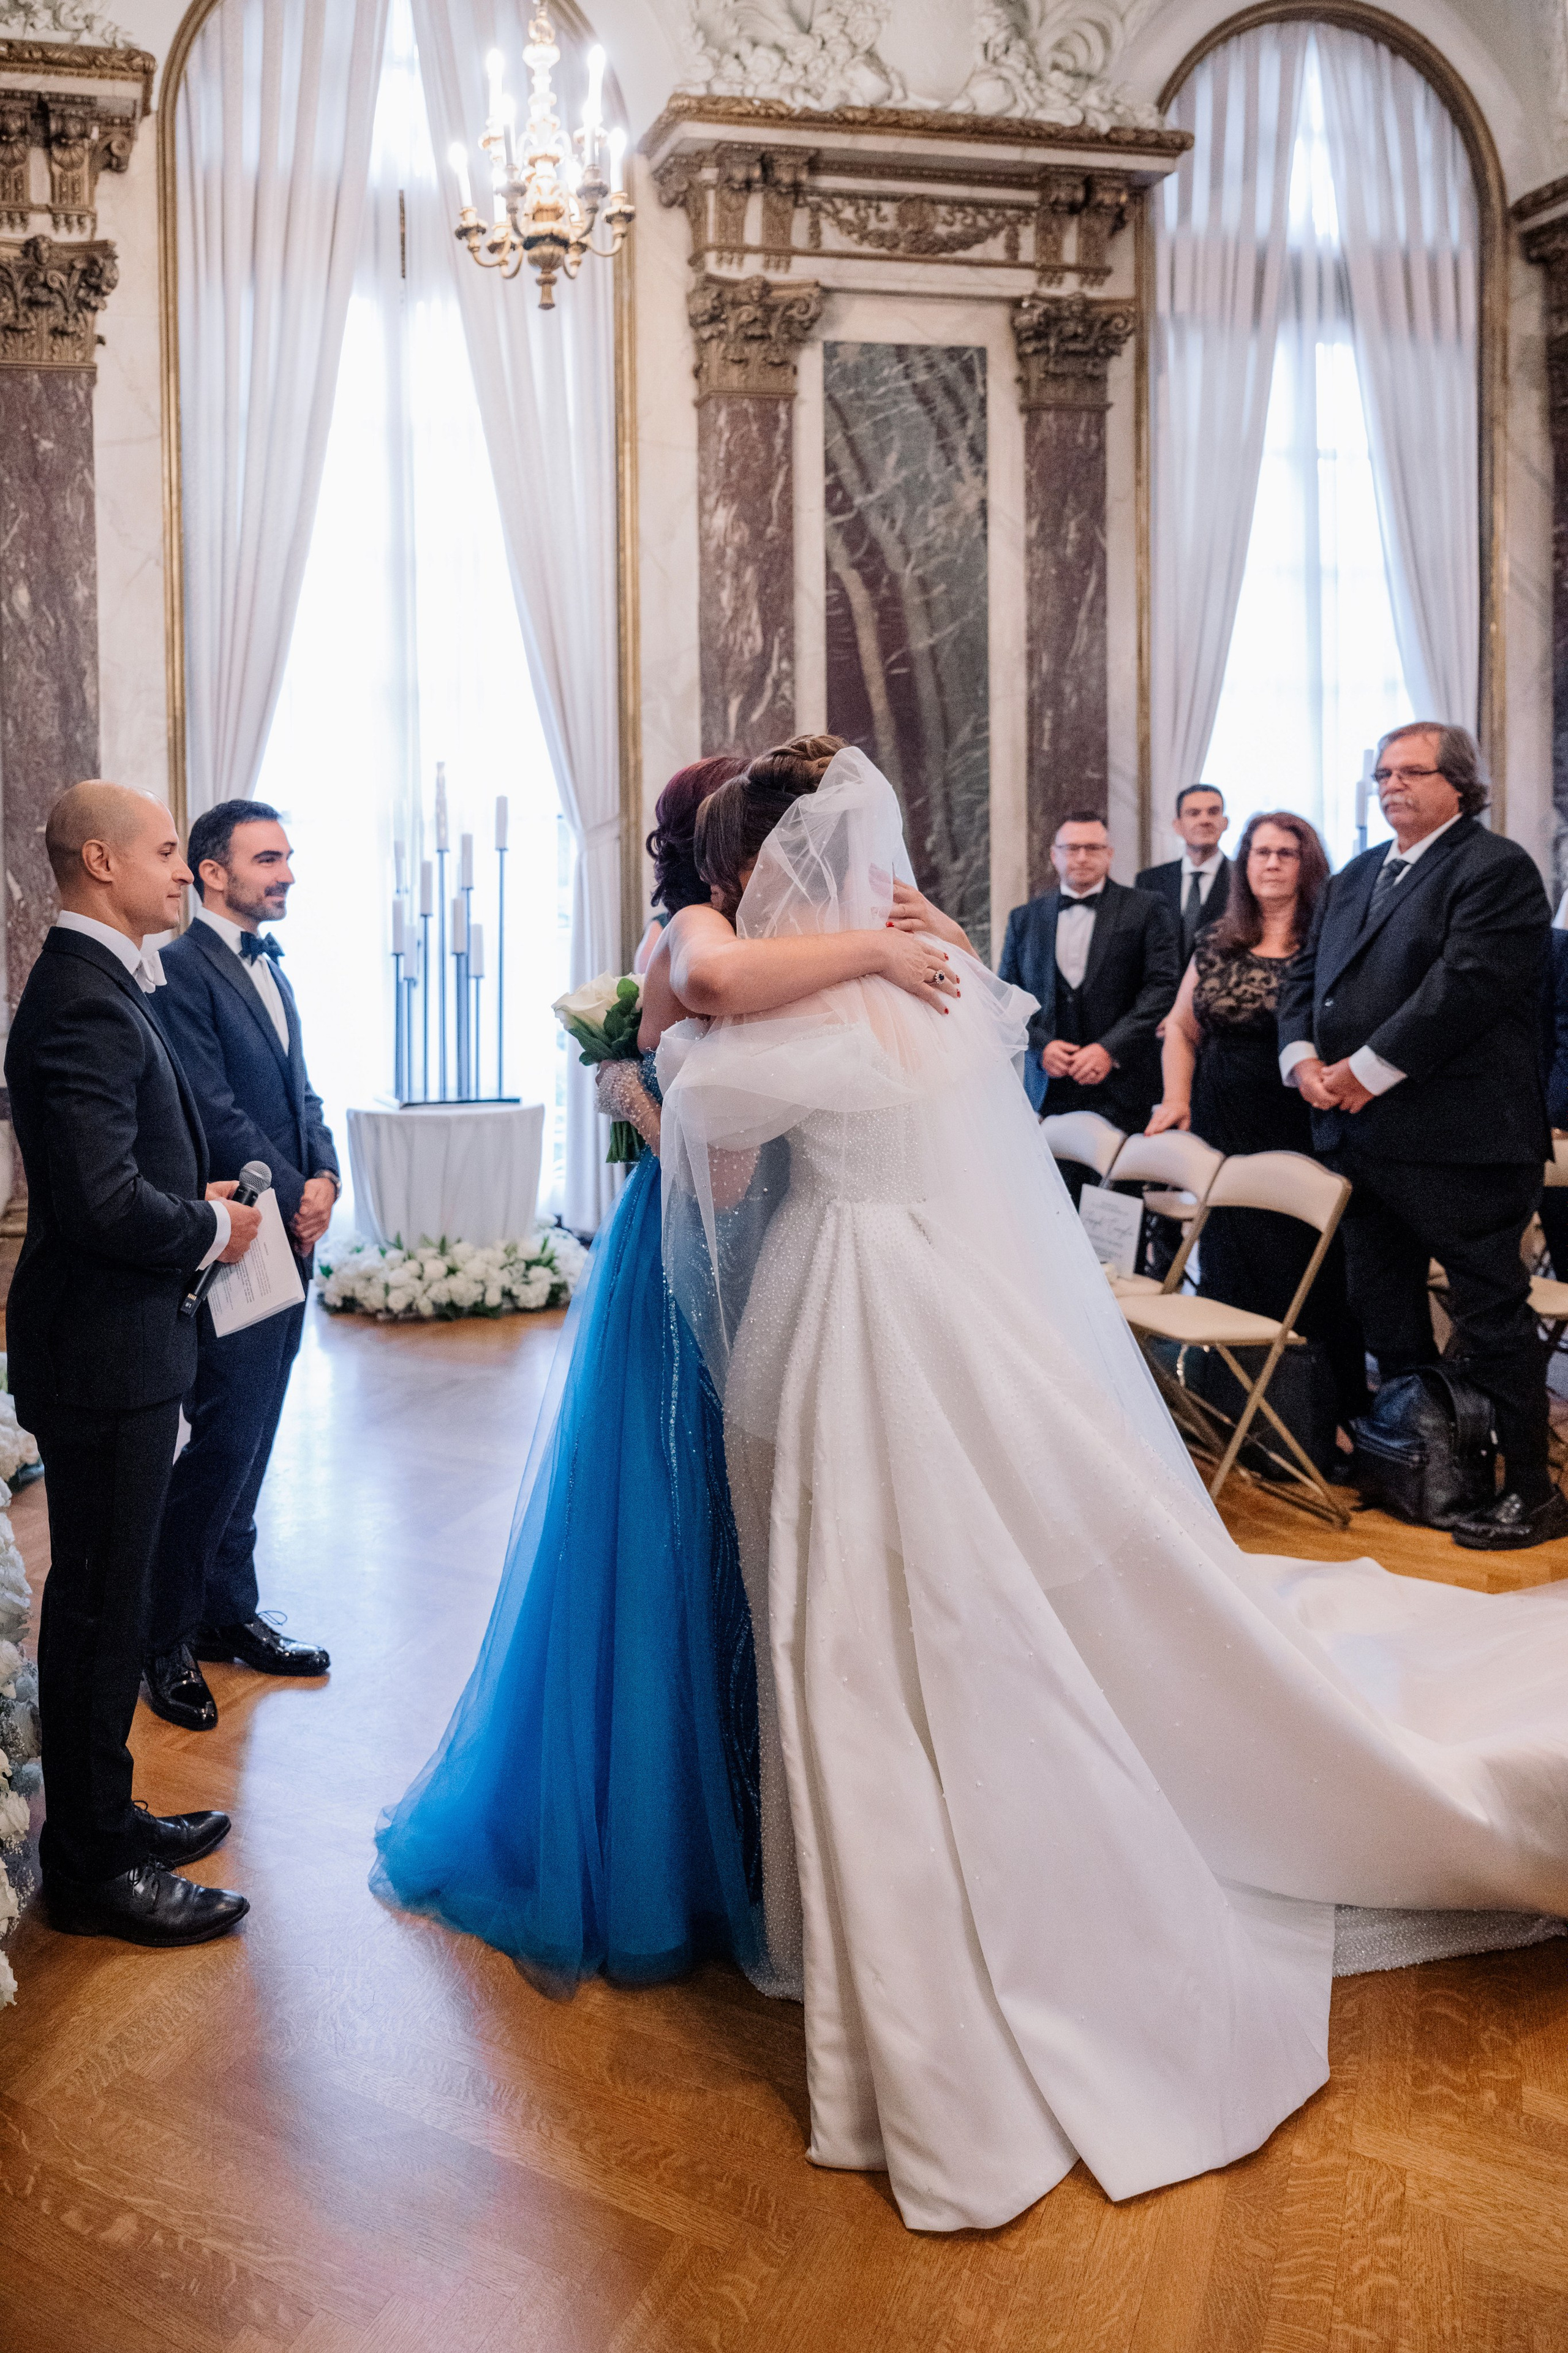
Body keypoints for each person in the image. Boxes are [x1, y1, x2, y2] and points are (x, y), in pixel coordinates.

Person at [658, 743, 1568, 2236]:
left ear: (761, 868)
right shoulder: (937, 972)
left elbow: (712, 1174)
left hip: (844, 1303)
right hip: (940, 1295)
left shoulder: (792, 995)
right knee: (944, 1578)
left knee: (859, 1601)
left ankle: (907, 1908)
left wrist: (661, 1071)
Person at [372, 742, 957, 1994]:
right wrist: (644, 1100)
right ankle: (680, 1826)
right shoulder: (690, 933)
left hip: (762, 1238)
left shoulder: (778, 933)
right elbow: (700, 1057)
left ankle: (754, 1804)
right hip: (685, 1244)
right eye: (761, 841)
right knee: (671, 1513)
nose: (780, 863)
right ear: (719, 851)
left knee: (747, 1528)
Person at [5, 782, 257, 1947]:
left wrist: (188, 1196)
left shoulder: (105, 981)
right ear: (100, 862)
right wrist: (209, 1229)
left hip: (121, 1344)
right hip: (101, 1353)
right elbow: (102, 1200)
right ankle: (96, 1865)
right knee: (102, 1610)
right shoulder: (80, 1000)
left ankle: (105, 1815)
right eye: (164, 849)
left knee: (105, 1599)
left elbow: (121, 1164)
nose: (180, 865)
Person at [1278, 722, 1563, 1550]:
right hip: (1361, 1138)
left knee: (1491, 1316)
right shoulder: (1359, 874)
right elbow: (1306, 976)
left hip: (1463, 1143)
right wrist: (1304, 1060)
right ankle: (1425, 1462)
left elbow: (1462, 991)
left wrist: (1362, 1071)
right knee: (1384, 1308)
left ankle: (1533, 1488)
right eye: (1381, 775)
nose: (1391, 786)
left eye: (1411, 772)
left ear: (1461, 784)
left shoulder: (1496, 869)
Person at [141, 800, 337, 1730]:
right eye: (269, 858)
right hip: (237, 1241)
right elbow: (213, 1108)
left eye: (288, 856)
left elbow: (299, 1088)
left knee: (255, 1437)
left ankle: (229, 1611)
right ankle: (165, 1638)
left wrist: (328, 1172)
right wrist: (293, 1189)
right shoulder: (180, 972)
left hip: (289, 1233)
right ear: (213, 872)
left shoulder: (270, 968)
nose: (287, 872)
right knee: (221, 1438)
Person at [1149, 810, 1367, 1435]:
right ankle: (1238, 1417)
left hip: (1301, 1123)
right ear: (1243, 865)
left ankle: (1322, 1420)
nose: (1270, 863)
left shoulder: (1331, 942)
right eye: (1260, 852)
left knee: (1311, 1273)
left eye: (1285, 853)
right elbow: (1180, 1031)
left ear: (1307, 865)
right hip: (1224, 1126)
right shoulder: (1216, 939)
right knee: (1230, 1263)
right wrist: (1175, 1098)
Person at [997, 811, 1179, 1155]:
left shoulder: (1148, 908)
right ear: (1054, 855)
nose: (1081, 858)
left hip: (1125, 1086)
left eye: (1093, 848)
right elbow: (1007, 995)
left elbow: (1163, 988)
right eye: (1071, 848)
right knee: (1051, 1195)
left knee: (1120, 1201)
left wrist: (1109, 1049)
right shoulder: (1024, 918)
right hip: (1049, 1088)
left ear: (1109, 854)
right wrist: (1042, 1047)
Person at [1136, 782, 1233, 956]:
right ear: (1178, 826)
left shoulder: (1243, 879)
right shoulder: (1149, 881)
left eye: (1213, 812)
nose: (1205, 820)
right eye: (1194, 813)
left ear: (1225, 823)